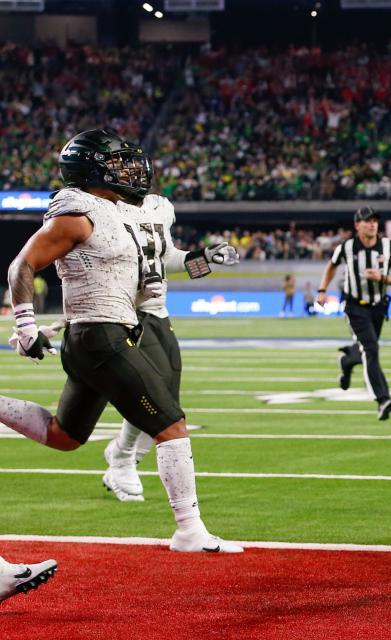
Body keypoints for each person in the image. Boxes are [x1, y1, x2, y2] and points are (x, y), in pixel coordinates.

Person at [0, 128, 241, 553]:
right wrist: (25, 327)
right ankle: (189, 530)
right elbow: (22, 265)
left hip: (104, 333)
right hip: (100, 337)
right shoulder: (76, 212)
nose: (131, 172)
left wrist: (203, 262)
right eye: (119, 164)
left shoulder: (122, 210)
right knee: (170, 424)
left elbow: (156, 263)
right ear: (91, 170)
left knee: (63, 436)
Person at [91, 177, 240, 503]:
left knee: (168, 403)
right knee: (153, 396)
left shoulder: (161, 207)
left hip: (159, 312)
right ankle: (122, 458)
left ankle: (123, 456)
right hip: (127, 312)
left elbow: (166, 258)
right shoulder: (103, 209)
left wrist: (206, 260)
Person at [316, 206, 391, 420]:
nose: (372, 224)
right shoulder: (347, 247)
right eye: (367, 220)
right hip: (354, 306)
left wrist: (381, 278)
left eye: (374, 220)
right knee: (371, 349)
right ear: (357, 225)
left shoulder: (388, 247)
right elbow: (331, 265)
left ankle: (347, 362)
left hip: (378, 306)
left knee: (367, 348)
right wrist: (322, 290)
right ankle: (382, 399)